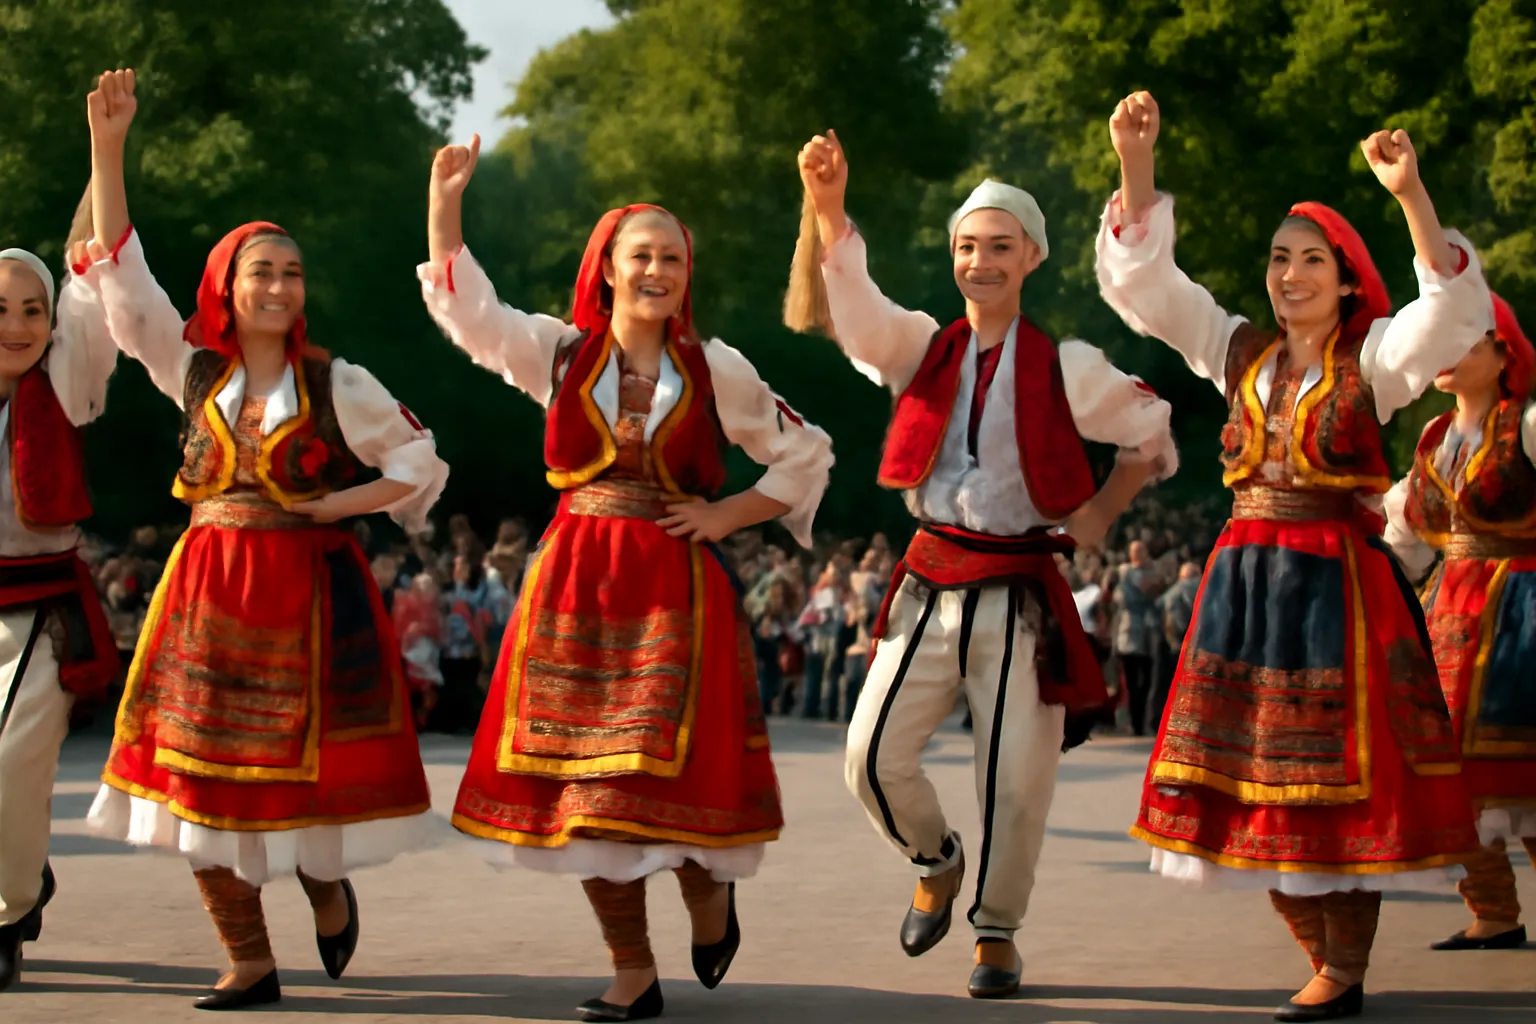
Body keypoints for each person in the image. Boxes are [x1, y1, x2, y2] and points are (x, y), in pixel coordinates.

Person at [419, 135, 833, 1022]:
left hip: (675, 587)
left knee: (663, 773)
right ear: (606, 269)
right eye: (640, 256)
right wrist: (445, 204)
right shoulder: (559, 353)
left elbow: (805, 453)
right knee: (585, 791)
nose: (657, 271)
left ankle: (707, 892)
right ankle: (633, 970)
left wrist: (727, 514)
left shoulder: (715, 367)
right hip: (575, 582)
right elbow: (473, 313)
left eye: (672, 258)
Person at [1097, 90, 1489, 1021]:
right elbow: (1153, 292)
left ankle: (1342, 967)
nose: (1291, 273)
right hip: (1244, 589)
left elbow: (1451, 312)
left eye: (1312, 260)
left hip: (1335, 594)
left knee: (1335, 786)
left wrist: (1410, 195)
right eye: (1279, 258)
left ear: (1347, 282)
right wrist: (1136, 165)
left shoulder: (1375, 359)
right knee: (1251, 784)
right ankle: (1323, 957)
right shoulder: (1238, 350)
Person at [77, 70, 449, 1010]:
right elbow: (123, 273)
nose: (279, 286)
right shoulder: (189, 366)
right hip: (206, 593)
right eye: (262, 272)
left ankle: (324, 883)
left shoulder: (335, 382)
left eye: (291, 273)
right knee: (195, 781)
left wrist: (338, 505)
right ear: (228, 286)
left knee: (302, 777)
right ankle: (246, 956)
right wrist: (109, 150)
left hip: (305, 596)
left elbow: (419, 463)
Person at [788, 129, 1177, 999]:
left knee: (1014, 781)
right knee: (869, 756)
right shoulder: (921, 347)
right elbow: (858, 313)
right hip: (929, 580)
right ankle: (935, 859)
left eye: (1000, 246)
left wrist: (1102, 511)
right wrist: (829, 209)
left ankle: (996, 933)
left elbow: (1150, 428)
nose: (981, 262)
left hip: (1018, 589)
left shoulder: (1068, 366)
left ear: (1032, 256)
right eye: (968, 246)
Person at [1384, 294, 1536, 953]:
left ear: (1505, 353)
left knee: (1522, 764)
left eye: (1465, 339)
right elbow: (1404, 538)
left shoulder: (1527, 425)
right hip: (1449, 613)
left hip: (1523, 612)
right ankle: (1493, 911)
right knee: (1446, 769)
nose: (1446, 353)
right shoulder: (1434, 439)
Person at [0, 200, 122, 993]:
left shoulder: (68, 383)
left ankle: (6, 913)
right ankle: (24, 871)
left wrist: (102, 154)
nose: (16, 325)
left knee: (12, 760)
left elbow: (92, 268)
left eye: (31, 310)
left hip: (40, 605)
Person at [1113, 539, 1162, 735]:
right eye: (1136, 550)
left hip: (1148, 631)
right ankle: (1135, 722)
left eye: (1142, 550)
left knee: (1146, 678)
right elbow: (1118, 597)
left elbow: (1157, 594)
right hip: (1128, 630)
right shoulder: (1124, 572)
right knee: (1131, 680)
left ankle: (1142, 720)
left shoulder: (1154, 572)